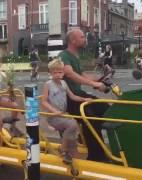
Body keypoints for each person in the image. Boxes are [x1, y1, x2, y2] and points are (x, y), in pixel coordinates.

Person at [58, 29, 110, 162]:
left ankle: (90, 141)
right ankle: (95, 157)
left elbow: (82, 75)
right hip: (68, 98)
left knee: (106, 109)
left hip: (79, 94)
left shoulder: (75, 56)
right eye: (82, 37)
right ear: (73, 41)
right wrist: (95, 84)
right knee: (90, 118)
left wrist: (98, 80)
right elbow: (69, 74)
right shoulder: (64, 55)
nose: (84, 39)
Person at [41, 58, 91, 164]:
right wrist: (54, 111)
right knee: (72, 125)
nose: (58, 74)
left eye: (60, 72)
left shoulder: (63, 83)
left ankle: (73, 152)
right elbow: (44, 102)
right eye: (55, 72)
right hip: (53, 116)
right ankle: (63, 150)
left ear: (63, 72)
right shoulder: (48, 84)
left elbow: (72, 96)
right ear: (51, 73)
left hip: (62, 114)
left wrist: (84, 99)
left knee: (73, 126)